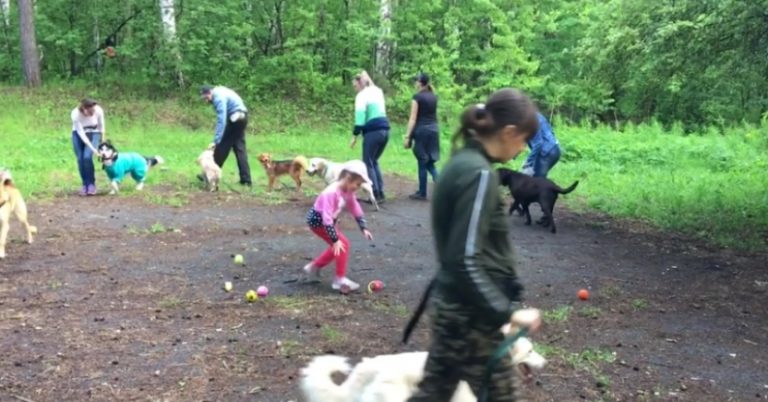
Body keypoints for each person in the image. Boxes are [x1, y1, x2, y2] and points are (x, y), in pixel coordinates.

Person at [407, 89, 541, 402]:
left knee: (433, 394)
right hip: (470, 318)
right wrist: (507, 312)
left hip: (453, 308)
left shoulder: (462, 162)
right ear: (508, 132)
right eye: (523, 140)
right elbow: (463, 259)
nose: (522, 148)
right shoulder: (479, 174)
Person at [303, 162, 374, 292]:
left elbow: (354, 206)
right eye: (357, 184)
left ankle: (314, 267)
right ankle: (339, 280)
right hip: (318, 222)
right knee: (342, 244)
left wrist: (363, 227)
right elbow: (326, 219)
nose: (358, 188)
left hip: (328, 221)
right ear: (347, 178)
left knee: (339, 246)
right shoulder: (330, 193)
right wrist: (335, 239)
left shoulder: (347, 190)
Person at [349, 71, 390, 203]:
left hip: (373, 131)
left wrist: (354, 136)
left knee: (368, 163)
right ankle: (380, 193)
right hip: (385, 130)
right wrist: (366, 76)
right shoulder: (377, 91)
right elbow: (371, 84)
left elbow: (360, 119)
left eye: (355, 86)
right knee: (374, 161)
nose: (354, 89)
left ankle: (376, 194)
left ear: (360, 84)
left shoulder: (361, 96)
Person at [200, 85, 252, 186]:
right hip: (242, 117)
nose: (206, 101)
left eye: (206, 97)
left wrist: (215, 140)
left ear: (210, 92)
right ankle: (246, 180)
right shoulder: (221, 90)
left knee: (222, 146)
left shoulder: (218, 97)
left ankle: (209, 175)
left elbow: (222, 120)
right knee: (239, 148)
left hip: (235, 119)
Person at [404, 72, 440, 201]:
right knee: (429, 162)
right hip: (434, 130)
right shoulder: (434, 97)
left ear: (420, 83)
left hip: (422, 131)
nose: (415, 82)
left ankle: (422, 192)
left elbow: (413, 118)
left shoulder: (417, 97)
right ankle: (443, 187)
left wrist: (408, 136)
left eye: (416, 81)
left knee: (422, 161)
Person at [71, 98, 106, 196]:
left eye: (93, 111)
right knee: (80, 159)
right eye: (89, 112)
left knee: (87, 157)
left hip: (94, 132)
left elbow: (101, 126)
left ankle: (91, 184)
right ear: (83, 109)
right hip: (78, 133)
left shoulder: (98, 110)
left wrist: (102, 141)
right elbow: (82, 134)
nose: (92, 113)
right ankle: (84, 184)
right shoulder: (75, 114)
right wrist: (94, 149)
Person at [521, 112, 561, 177]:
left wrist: (528, 162)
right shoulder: (536, 115)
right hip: (555, 148)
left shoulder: (530, 119)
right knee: (538, 180)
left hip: (547, 152)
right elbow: (551, 131)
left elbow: (538, 143)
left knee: (537, 181)